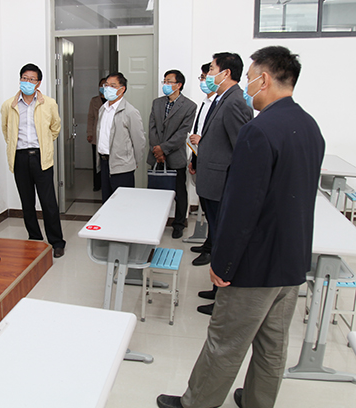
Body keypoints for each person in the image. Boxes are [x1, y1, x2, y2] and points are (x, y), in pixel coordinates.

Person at [156, 46, 325, 408]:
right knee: (272, 344)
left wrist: (224, 263)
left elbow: (242, 206)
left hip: (254, 265)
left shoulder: (258, 131)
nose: (247, 85)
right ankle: (257, 401)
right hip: (292, 261)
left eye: (249, 77)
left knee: (225, 340)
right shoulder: (310, 127)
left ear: (264, 79)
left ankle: (196, 403)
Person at [194, 52, 253, 316]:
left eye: (211, 69)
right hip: (212, 181)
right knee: (217, 236)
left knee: (222, 239)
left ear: (225, 73)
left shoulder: (235, 102)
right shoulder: (223, 99)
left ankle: (223, 298)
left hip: (222, 184)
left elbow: (243, 149)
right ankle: (217, 291)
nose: (208, 75)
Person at [1, 63, 66, 258]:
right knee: (27, 202)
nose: (27, 82)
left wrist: (44, 144)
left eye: (32, 79)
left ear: (38, 83)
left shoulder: (49, 103)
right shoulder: (9, 105)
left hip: (41, 157)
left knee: (48, 202)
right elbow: (6, 130)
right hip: (20, 157)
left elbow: (55, 127)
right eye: (24, 78)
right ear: (20, 79)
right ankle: (35, 239)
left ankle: (57, 242)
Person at [147, 69, 197, 239]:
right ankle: (154, 222)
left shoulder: (189, 106)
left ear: (179, 85)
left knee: (179, 193)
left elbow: (182, 133)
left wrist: (164, 149)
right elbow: (152, 128)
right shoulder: (157, 103)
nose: (166, 85)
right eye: (165, 81)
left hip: (175, 156)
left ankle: (179, 224)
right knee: (155, 193)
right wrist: (157, 150)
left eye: (169, 82)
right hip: (156, 156)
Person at [95, 72, 146, 203]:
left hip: (122, 166)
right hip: (105, 163)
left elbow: (139, 141)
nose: (108, 88)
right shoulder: (103, 109)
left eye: (113, 86)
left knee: (123, 204)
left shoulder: (130, 112)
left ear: (122, 89)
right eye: (106, 85)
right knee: (107, 203)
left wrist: (133, 162)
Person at [188, 63, 218, 265]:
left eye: (206, 77)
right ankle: (208, 243)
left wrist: (202, 142)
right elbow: (198, 132)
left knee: (215, 213)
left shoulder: (221, 104)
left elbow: (215, 139)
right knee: (207, 208)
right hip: (201, 160)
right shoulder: (206, 103)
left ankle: (213, 250)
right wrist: (194, 160)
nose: (203, 81)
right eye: (201, 77)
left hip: (214, 167)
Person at [87, 78, 107, 191]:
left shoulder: (111, 100)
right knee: (96, 162)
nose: (103, 87)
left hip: (108, 136)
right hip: (96, 135)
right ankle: (97, 184)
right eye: (101, 85)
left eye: (105, 85)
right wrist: (89, 133)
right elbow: (90, 117)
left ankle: (106, 184)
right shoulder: (94, 101)